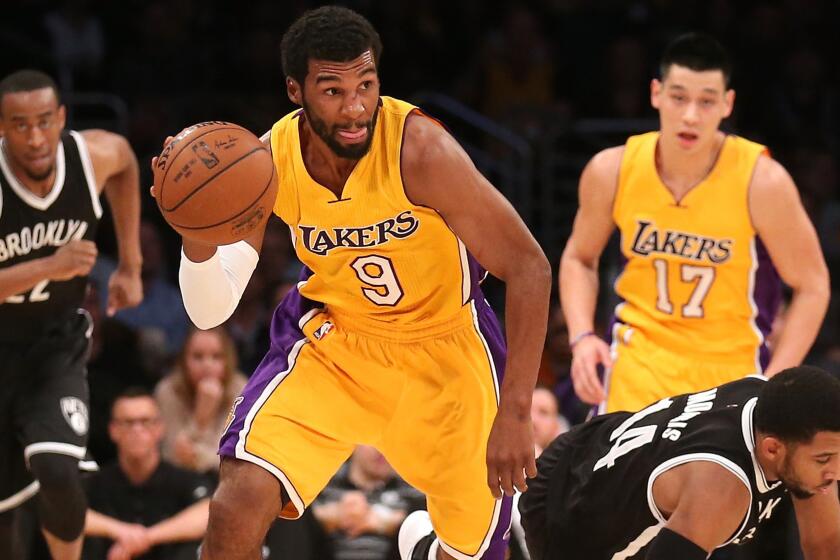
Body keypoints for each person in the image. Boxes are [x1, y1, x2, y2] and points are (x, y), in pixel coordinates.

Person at [151, 6, 551, 560]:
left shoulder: (421, 152)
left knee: (472, 551)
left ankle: (429, 550)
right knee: (235, 504)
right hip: (337, 346)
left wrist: (517, 413)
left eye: (366, 85)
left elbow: (529, 265)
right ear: (297, 90)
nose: (355, 106)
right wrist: (195, 233)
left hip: (447, 355)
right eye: (332, 90)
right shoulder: (267, 164)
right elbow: (208, 310)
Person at [558, 33, 830, 414]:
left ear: (727, 104)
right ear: (656, 93)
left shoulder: (762, 181)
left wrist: (776, 381)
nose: (690, 115)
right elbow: (579, 258)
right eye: (679, 97)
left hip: (730, 379)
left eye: (706, 101)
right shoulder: (612, 169)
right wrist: (582, 336)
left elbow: (813, 284)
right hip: (636, 367)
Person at [0, 69, 142, 560]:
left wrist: (130, 262)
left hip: (54, 346)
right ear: (2, 128)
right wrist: (49, 265)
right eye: (20, 125)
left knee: (58, 472)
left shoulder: (92, 156)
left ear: (61, 118)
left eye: (44, 121)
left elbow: (126, 162)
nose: (35, 137)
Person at [519, 366, 840, 559]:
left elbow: (825, 545)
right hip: (566, 519)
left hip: (594, 447)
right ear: (772, 450)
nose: (836, 471)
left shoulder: (770, 402)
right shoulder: (722, 491)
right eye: (824, 459)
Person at [84, 388, 212, 560]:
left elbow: (208, 513)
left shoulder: (184, 479)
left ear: (159, 428)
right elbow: (68, 514)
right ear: (113, 430)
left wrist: (147, 537)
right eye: (128, 422)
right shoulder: (96, 482)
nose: (137, 430)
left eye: (145, 421)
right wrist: (120, 531)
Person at [154, 327, 248, 474]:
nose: (207, 365)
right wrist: (200, 418)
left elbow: (236, 461)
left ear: (228, 361)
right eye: (198, 357)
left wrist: (196, 455)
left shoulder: (241, 389)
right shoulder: (168, 391)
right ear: (184, 361)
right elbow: (171, 457)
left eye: (216, 357)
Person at [313, 445, 425, 560]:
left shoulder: (412, 485)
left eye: (388, 440)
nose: (381, 450)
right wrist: (329, 516)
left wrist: (385, 523)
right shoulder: (325, 479)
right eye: (373, 442)